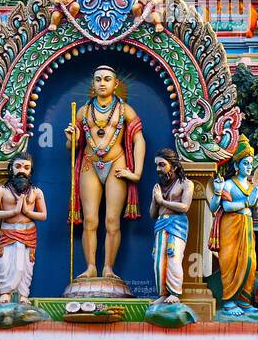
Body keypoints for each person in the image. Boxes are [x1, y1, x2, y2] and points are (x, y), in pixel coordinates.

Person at [65, 65, 144, 283]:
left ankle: (108, 268)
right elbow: (72, 146)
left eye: (107, 79)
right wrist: (71, 137)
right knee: (90, 220)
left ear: (115, 84)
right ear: (93, 84)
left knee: (112, 220)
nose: (102, 83)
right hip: (90, 165)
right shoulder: (82, 112)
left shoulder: (124, 110)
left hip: (116, 165)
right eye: (98, 79)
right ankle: (90, 267)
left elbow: (139, 140)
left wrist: (136, 172)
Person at [207, 136, 258, 315]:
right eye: (245, 163)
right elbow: (224, 206)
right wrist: (247, 203)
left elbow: (256, 214)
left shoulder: (251, 187)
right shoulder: (228, 184)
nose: (249, 167)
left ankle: (244, 301)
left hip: (247, 227)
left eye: (250, 164)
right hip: (231, 226)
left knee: (250, 263)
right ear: (236, 165)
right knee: (230, 262)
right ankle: (228, 301)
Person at [0, 153, 47, 305]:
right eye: (18, 166)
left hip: (28, 231)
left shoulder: (36, 192)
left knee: (25, 265)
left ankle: (23, 294)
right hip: (8, 231)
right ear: (11, 169)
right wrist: (14, 212)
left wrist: (27, 212)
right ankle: (5, 292)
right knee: (5, 262)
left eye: (26, 167)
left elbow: (43, 215)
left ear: (31, 171)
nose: (22, 170)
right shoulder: (2, 190)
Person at [150, 149, 193, 305]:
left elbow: (184, 207)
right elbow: (153, 214)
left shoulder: (186, 184)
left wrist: (162, 201)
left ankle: (174, 292)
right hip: (160, 224)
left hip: (177, 224)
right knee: (158, 260)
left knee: (173, 257)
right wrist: (155, 200)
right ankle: (163, 293)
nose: (158, 169)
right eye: (157, 165)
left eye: (162, 165)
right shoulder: (158, 187)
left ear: (174, 166)